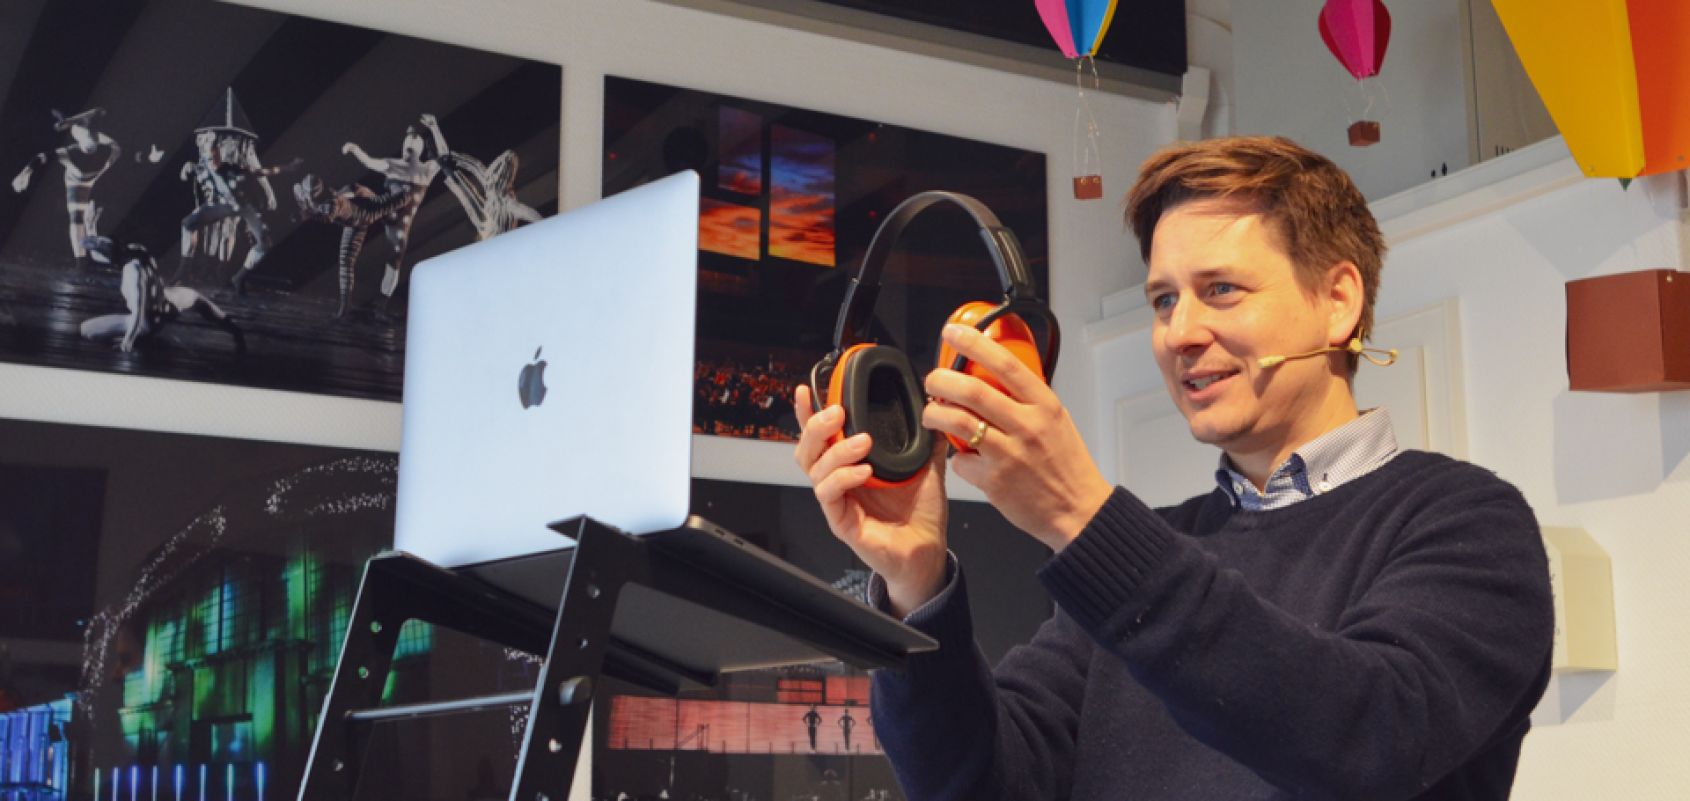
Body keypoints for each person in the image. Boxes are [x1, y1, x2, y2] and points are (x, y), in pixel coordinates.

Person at [791, 136, 1554, 800]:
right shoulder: (1152, 552)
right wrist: (916, 586)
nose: (1179, 333)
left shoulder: (1468, 523)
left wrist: (1084, 520)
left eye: (1220, 289)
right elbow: (979, 784)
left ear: (1337, 300)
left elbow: (1365, 737)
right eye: (1162, 300)